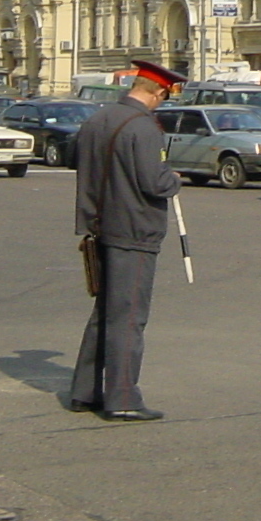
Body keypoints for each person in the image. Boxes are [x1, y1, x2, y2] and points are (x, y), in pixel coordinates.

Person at [67, 58, 185, 422]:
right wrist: (174, 178)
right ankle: (121, 397)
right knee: (129, 315)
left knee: (105, 311)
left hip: (99, 225)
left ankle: (85, 391)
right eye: (164, 97)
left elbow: (79, 162)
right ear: (158, 92)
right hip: (134, 230)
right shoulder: (144, 128)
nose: (162, 103)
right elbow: (155, 182)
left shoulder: (97, 119)